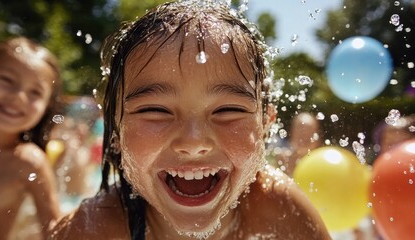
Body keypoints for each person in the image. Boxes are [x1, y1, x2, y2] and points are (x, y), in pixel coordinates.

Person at [50, 1, 330, 239]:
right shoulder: (92, 230)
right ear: (116, 130)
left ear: (265, 124)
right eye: (156, 111)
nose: (193, 142)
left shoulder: (280, 212)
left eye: (227, 110)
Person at [0, 37, 62, 239]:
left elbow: (54, 231)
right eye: (7, 80)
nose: (18, 96)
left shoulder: (29, 162)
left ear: (46, 108)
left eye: (35, 93)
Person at [273, 112, 322, 176]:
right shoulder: (282, 160)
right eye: (300, 129)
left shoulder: (321, 163)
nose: (304, 133)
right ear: (292, 132)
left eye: (309, 129)